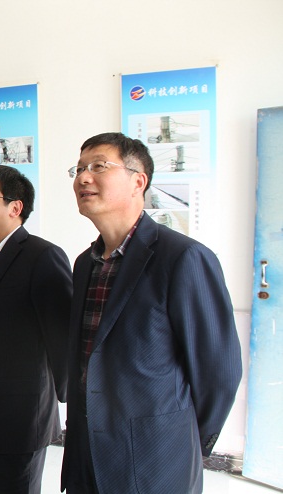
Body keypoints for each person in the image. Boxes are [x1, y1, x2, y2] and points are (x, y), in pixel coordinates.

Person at [60, 132, 243, 494]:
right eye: (79, 169)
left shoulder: (183, 258)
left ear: (138, 181)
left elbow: (218, 373)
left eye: (99, 166)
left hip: (154, 459)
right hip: (86, 453)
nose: (83, 178)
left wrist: (183, 439)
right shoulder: (85, 264)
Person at [0, 165, 72, 494]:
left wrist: (74, 409)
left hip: (18, 417)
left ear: (15, 207)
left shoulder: (42, 256)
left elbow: (63, 338)